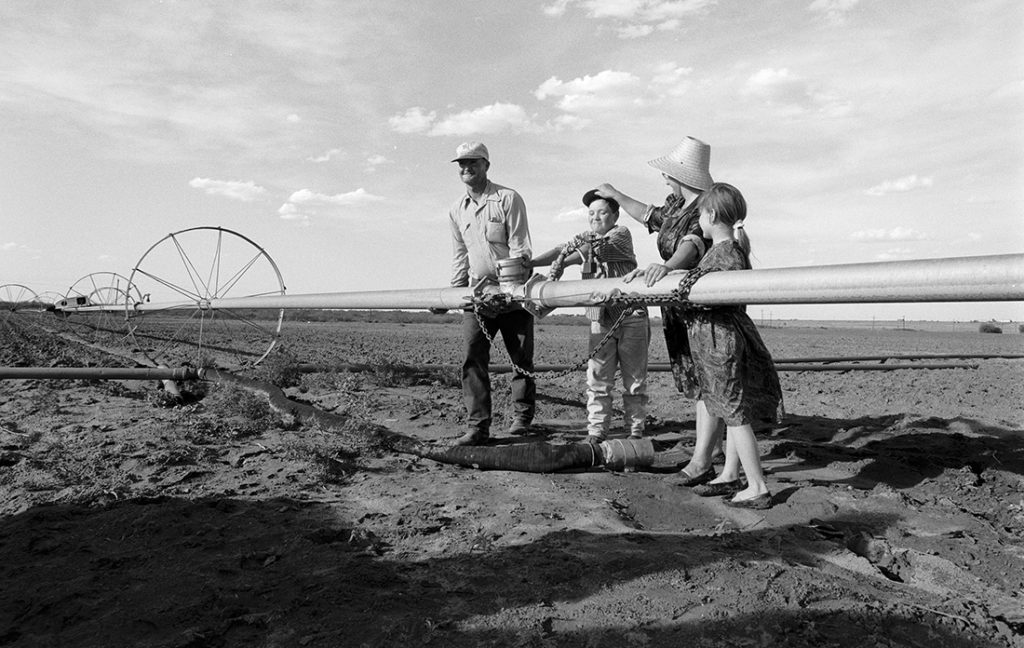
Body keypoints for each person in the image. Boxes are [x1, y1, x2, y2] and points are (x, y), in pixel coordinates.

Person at [598, 136, 722, 485]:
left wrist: (667, 267)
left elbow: (692, 246)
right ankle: (709, 451)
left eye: (668, 175)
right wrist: (616, 194)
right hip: (678, 305)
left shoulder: (703, 210)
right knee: (699, 381)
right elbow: (649, 216)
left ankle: (704, 459)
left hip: (698, 304)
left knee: (707, 379)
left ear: (683, 177)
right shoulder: (677, 206)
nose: (664, 180)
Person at [680, 182, 785, 508]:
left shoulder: (725, 254)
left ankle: (756, 485)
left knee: (736, 413)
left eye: (700, 214)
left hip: (719, 341)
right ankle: (729, 474)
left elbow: (709, 298)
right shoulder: (729, 251)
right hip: (717, 340)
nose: (698, 219)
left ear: (710, 214)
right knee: (730, 409)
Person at [532, 190, 650, 444]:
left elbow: (596, 250)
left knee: (634, 381)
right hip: (601, 319)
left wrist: (566, 258)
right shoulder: (588, 243)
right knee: (597, 380)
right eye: (591, 213)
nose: (595, 217)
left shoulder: (620, 235)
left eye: (602, 212)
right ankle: (596, 433)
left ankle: (635, 433)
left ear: (615, 215)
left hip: (631, 317)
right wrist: (537, 264)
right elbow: (565, 250)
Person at [439, 141, 536, 446]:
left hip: (511, 294)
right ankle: (477, 426)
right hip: (478, 296)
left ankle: (521, 418)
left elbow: (521, 247)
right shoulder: (457, 210)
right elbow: (460, 256)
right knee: (472, 358)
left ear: (486, 166)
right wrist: (452, 293)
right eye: (461, 164)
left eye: (473, 163)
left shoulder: (508, 198)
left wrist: (513, 289)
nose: (466, 168)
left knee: (520, 359)